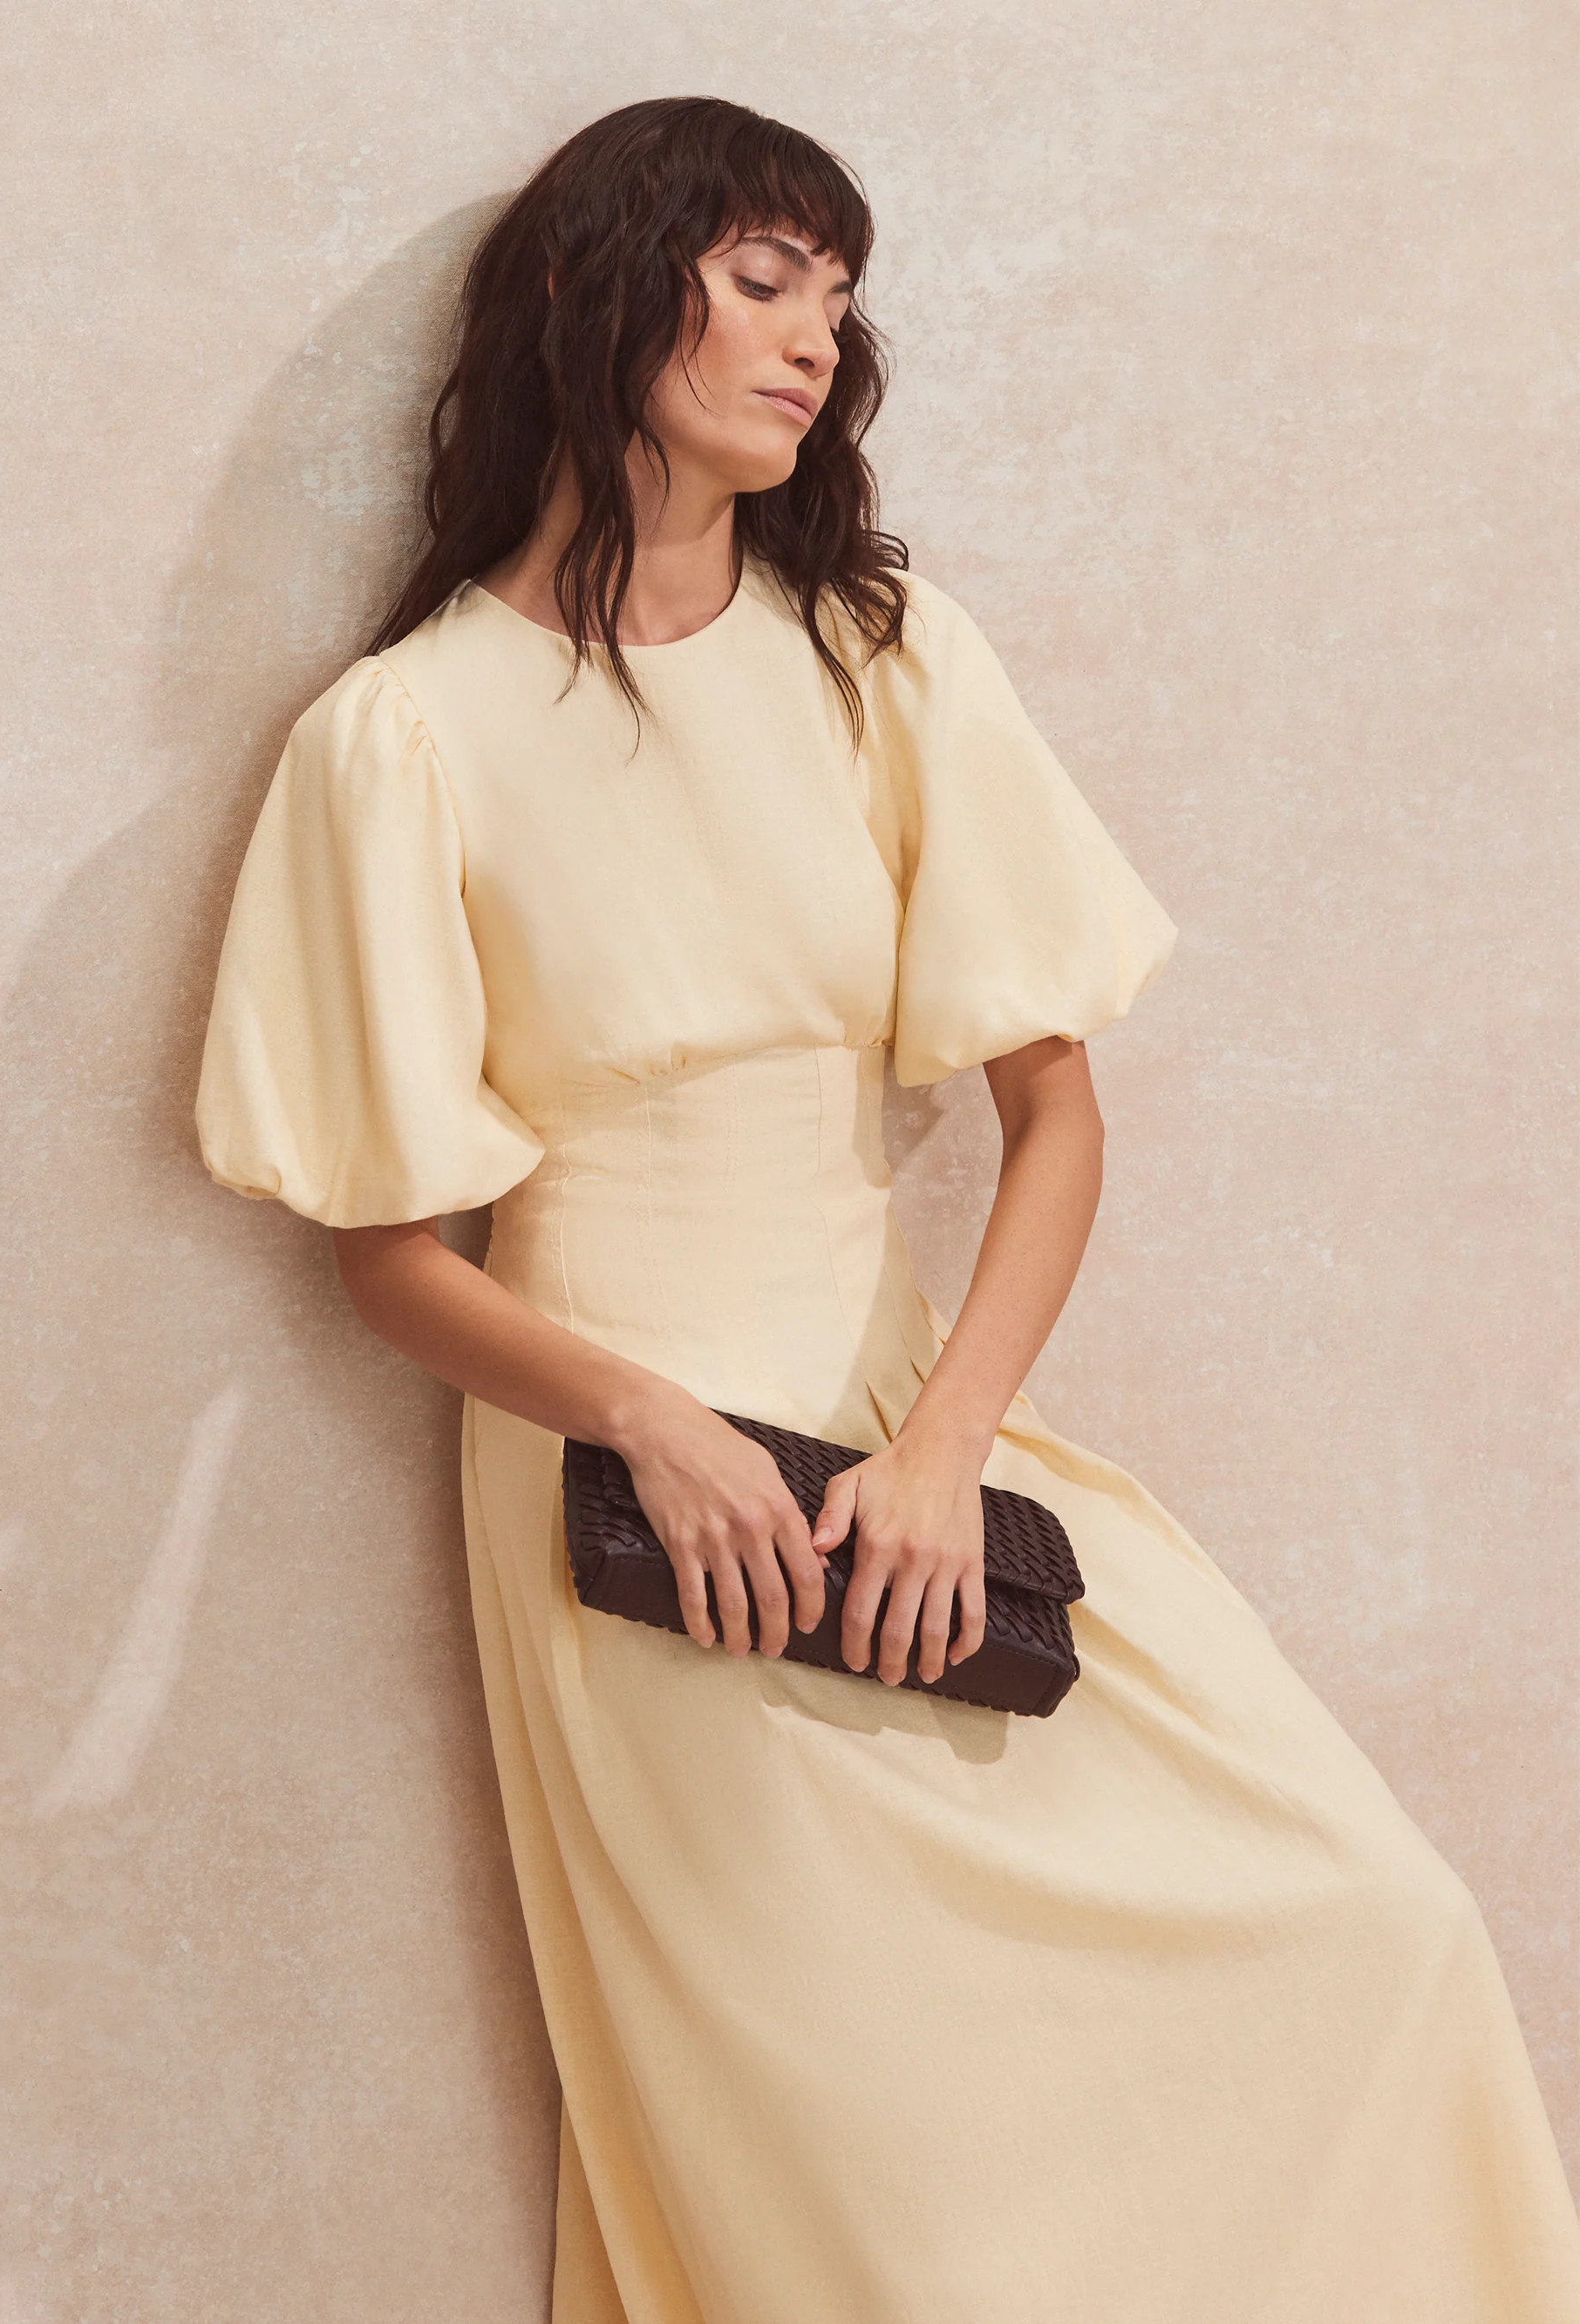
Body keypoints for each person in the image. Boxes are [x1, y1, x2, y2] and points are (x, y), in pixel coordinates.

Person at [194, 95, 1580, 2324]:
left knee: (1378, 1921)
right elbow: (388, 1260)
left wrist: (944, 1450)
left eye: (835, 296)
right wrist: (648, 1421)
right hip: (634, 1515)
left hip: (906, 1436)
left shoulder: (875, 651)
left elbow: (1057, 1115)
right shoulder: (404, 737)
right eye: (760, 279)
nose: (812, 337)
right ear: (579, 290)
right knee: (886, 2205)